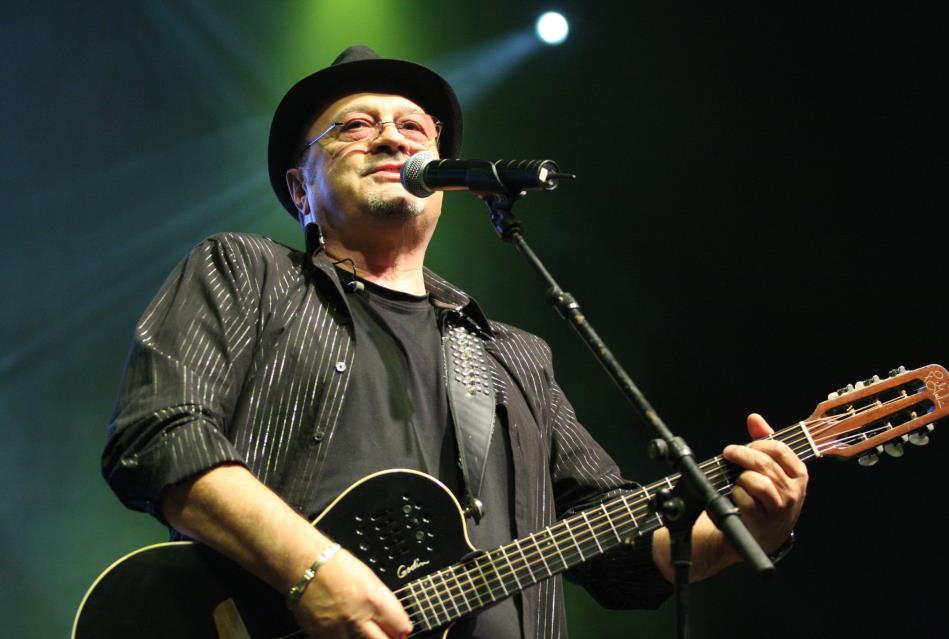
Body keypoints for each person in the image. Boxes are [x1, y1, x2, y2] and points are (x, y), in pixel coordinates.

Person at [102, 45, 807, 639]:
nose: (392, 138)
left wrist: (746, 532)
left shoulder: (514, 355)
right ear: (300, 189)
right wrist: (311, 569)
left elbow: (616, 554)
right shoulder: (247, 272)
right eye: (355, 125)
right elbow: (158, 432)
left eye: (415, 126)